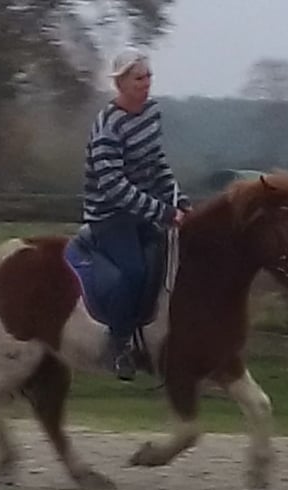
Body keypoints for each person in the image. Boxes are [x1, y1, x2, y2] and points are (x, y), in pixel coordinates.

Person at [82, 47, 190, 380]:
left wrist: (179, 199)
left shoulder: (150, 114)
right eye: (138, 78)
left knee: (172, 259)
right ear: (121, 84)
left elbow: (157, 165)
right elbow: (113, 186)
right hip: (109, 216)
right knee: (132, 271)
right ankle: (118, 345)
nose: (146, 84)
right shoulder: (108, 128)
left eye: (148, 77)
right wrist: (162, 211)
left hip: (143, 211)